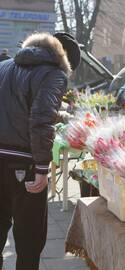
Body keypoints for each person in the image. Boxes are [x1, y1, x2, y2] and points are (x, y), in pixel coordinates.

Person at [0, 32, 80, 270]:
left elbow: (20, 107)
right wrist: (43, 168)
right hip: (24, 164)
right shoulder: (54, 74)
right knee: (29, 239)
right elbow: (40, 121)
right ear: (64, 60)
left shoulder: (5, 67)